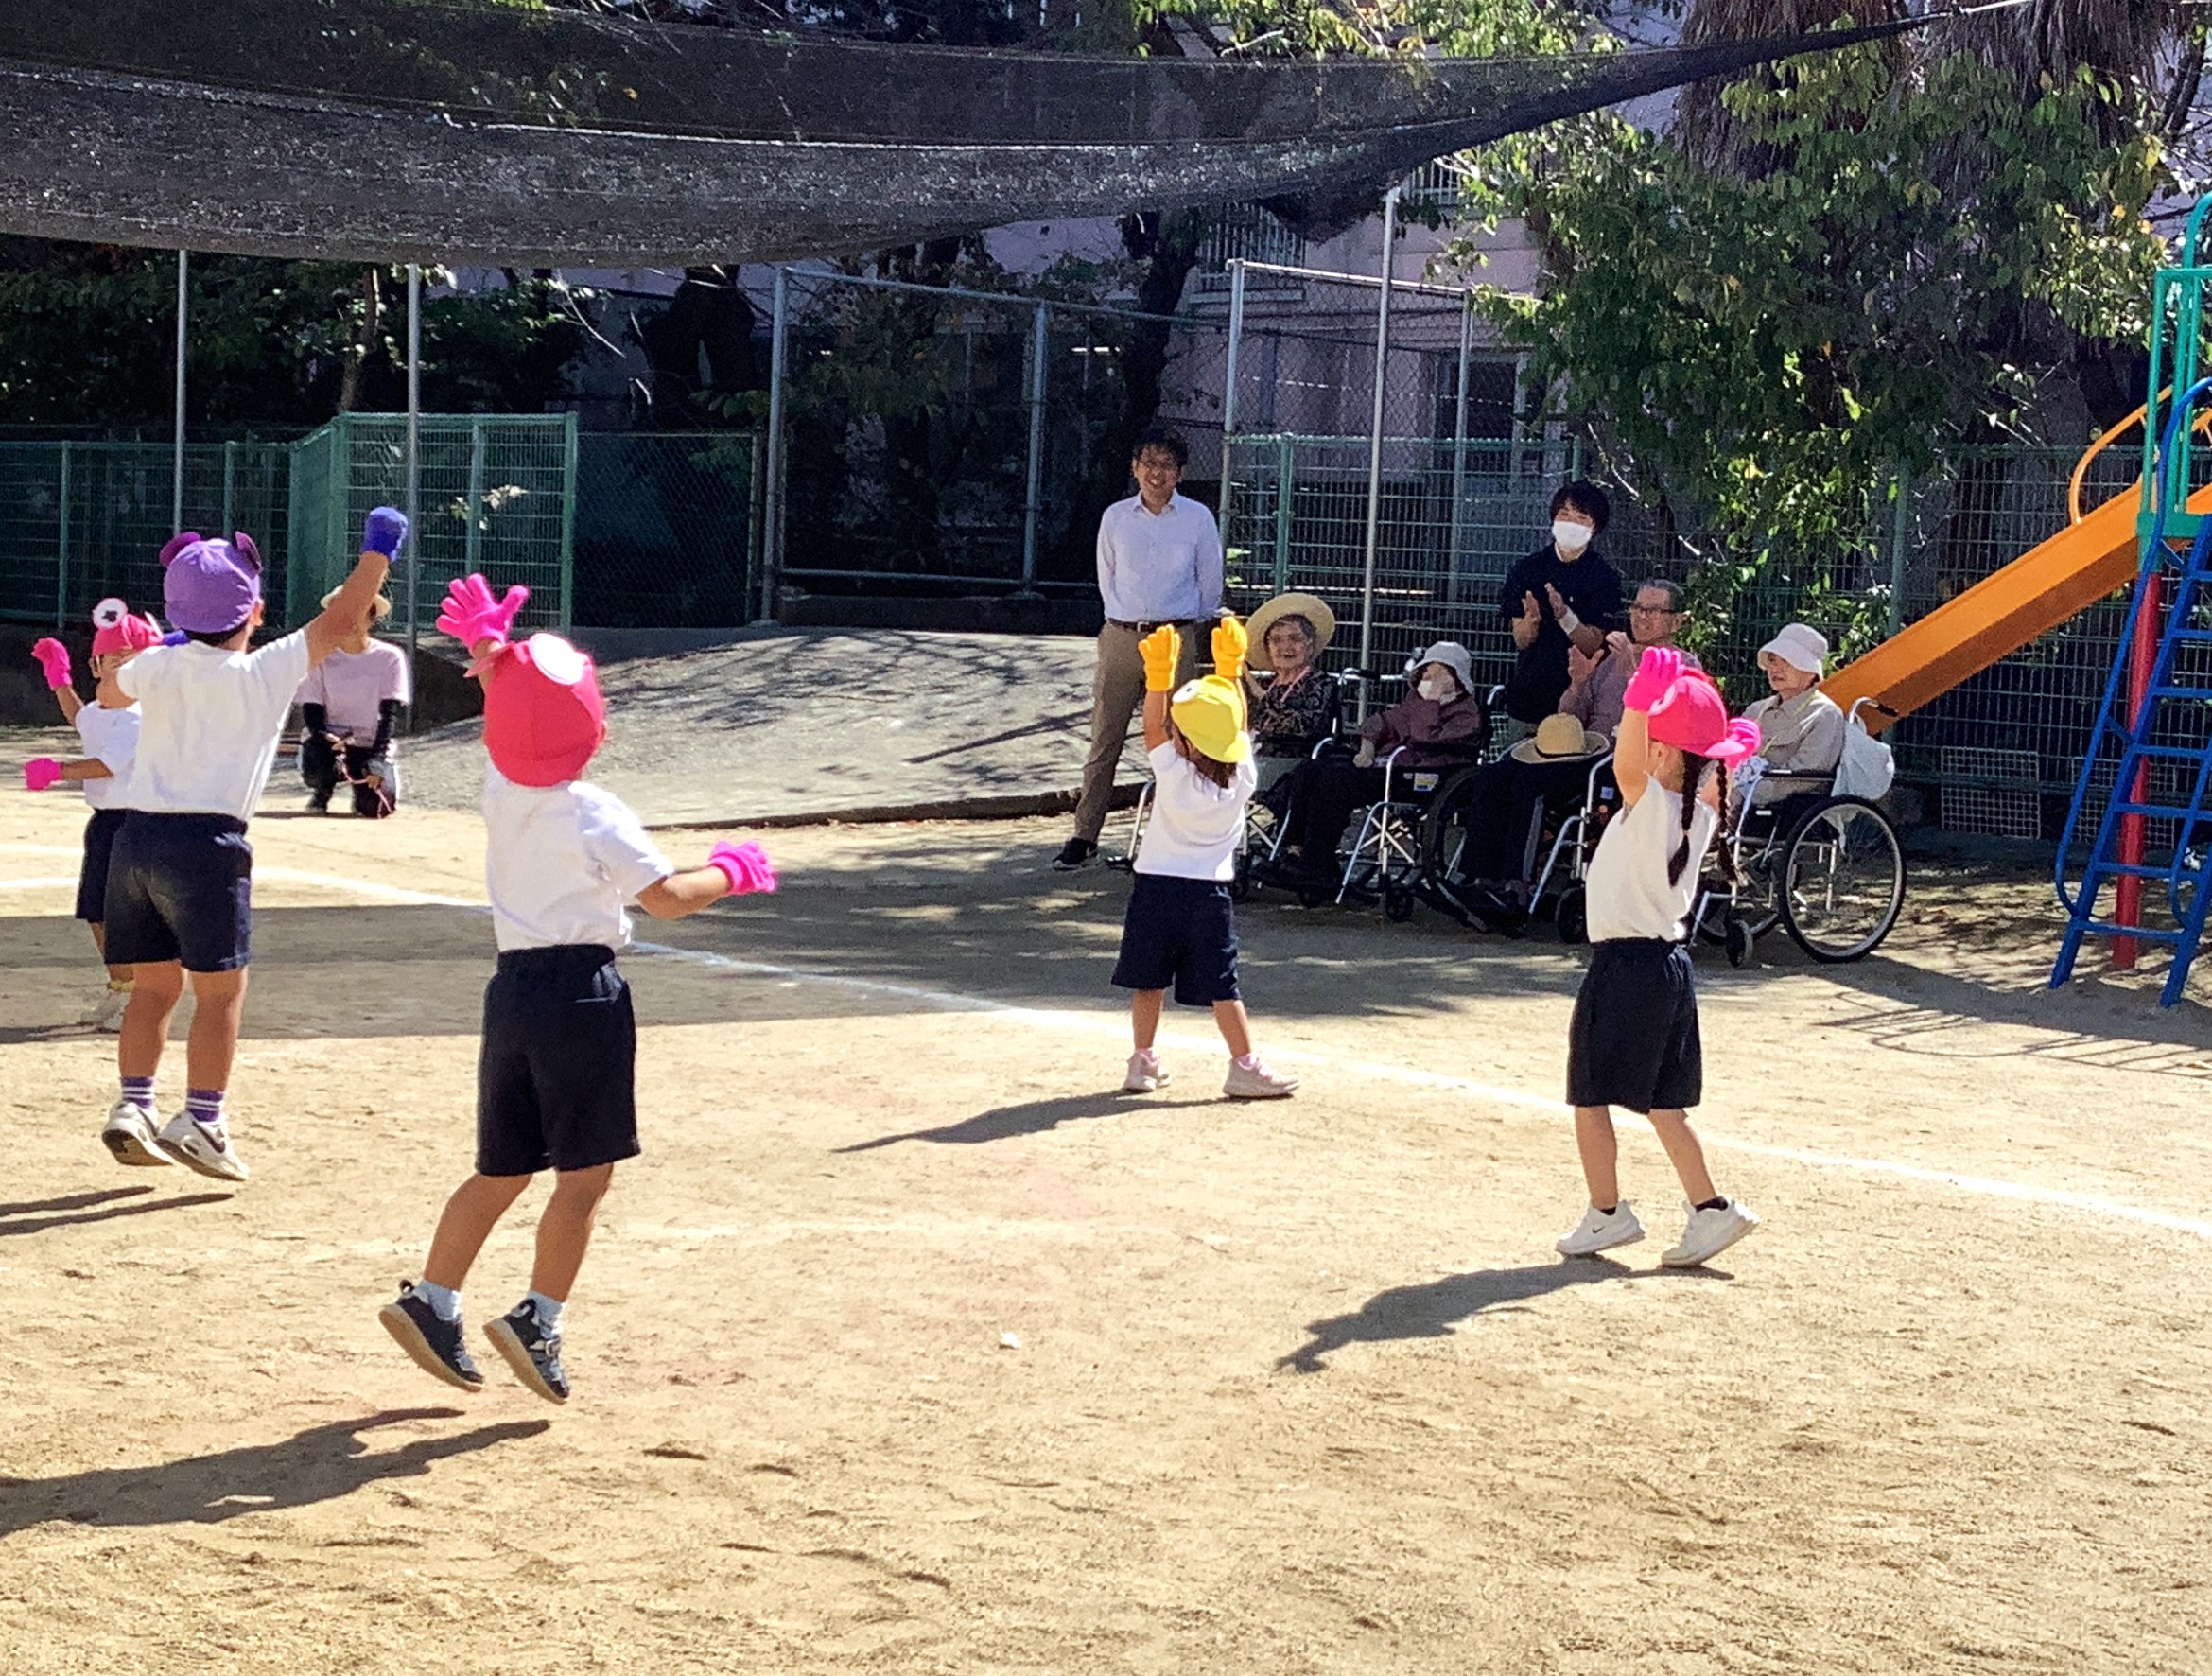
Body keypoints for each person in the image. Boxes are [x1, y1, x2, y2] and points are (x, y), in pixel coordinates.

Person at [379, 574, 780, 1405]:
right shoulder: (593, 810)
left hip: (513, 989)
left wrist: (491, 654)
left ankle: (434, 1296)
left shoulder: (501, 792)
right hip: (582, 993)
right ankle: (538, 1318)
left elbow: (511, 720)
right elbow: (665, 899)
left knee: (501, 1169)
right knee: (585, 1177)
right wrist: (731, 872)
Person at [92, 514, 403, 1179]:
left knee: (152, 990)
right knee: (220, 993)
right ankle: (203, 1119)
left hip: (135, 837)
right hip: (208, 845)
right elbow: (346, 617)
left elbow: (108, 693)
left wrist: (156, 651)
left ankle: (133, 1105)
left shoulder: (155, 664)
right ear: (255, 610)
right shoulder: (267, 668)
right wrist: (377, 551)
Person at [1554, 646, 1763, 1268]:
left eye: (1640, 733)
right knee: (1664, 1105)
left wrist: (1641, 699)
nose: (1628, 736)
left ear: (1663, 753)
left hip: (1625, 969)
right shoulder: (1695, 810)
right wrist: (1726, 742)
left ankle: (1607, 1213)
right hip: (1666, 969)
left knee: (1589, 1098)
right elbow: (1710, 767)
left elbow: (1627, 759)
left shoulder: (1649, 804)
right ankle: (1709, 1210)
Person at [1114, 615, 1297, 1100]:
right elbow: (1235, 723)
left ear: (1186, 740)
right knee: (1223, 985)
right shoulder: (1243, 780)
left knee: (1148, 980)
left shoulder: (1173, 773)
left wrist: (1158, 679)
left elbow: (1153, 726)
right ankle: (1244, 1065)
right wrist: (1231, 669)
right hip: (1208, 895)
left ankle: (1142, 1061)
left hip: (1155, 888)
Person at [1450, 579, 1698, 896]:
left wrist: (1632, 676)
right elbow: (1572, 716)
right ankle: (1478, 876)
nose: (1640, 616)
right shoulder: (1610, 658)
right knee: (1496, 774)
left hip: (1628, 758)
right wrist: (1578, 685)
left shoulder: (1683, 666)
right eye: (1637, 607)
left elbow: (1674, 724)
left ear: (1677, 620)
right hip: (1584, 747)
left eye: (1653, 610)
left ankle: (1517, 883)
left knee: (1532, 781)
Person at [1055, 427, 1220, 871]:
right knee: (1106, 735)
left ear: (1180, 473)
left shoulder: (1197, 518)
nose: (1156, 473)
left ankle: (1170, 834)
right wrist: (1123, 624)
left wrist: (1183, 626)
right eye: (1148, 463)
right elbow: (1106, 577)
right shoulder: (1116, 517)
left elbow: (1209, 582)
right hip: (1122, 635)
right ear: (1134, 468)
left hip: (1175, 633)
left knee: (1177, 737)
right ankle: (1084, 835)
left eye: (1166, 465)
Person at [23, 600, 162, 1037]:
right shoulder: (102, 711)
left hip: (135, 822)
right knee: (96, 911)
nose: (118, 668)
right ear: (95, 665)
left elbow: (107, 764)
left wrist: (57, 772)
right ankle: (121, 988)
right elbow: (80, 718)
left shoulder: (140, 715)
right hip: (105, 823)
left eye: (129, 661)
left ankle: (138, 994)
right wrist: (58, 678)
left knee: (126, 913)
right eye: (110, 660)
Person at [1274, 640, 1487, 885]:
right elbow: (1380, 722)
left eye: (1439, 672)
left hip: (1424, 776)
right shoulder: (1414, 702)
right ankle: (1295, 849)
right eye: (1427, 670)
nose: (1429, 677)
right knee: (1312, 769)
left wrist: (1432, 701)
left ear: (1456, 678)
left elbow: (1424, 737)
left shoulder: (1466, 713)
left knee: (1337, 782)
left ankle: (1316, 863)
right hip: (1389, 767)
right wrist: (1367, 748)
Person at [1499, 480, 1624, 725]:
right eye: (1564, 514)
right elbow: (1521, 639)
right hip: (1530, 698)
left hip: (1581, 704)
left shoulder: (1603, 577)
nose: (1570, 523)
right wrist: (1531, 622)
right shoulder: (1527, 569)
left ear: (1595, 526)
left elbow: (1592, 645)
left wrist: (1565, 616)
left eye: (1581, 517)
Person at [296, 586, 409, 818]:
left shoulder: (390, 657)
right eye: (343, 612)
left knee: (374, 810)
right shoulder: (319, 656)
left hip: (369, 743)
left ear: (372, 617)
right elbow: (312, 707)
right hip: (331, 744)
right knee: (317, 763)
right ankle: (322, 789)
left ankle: (365, 789)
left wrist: (377, 759)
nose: (352, 620)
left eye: (361, 611)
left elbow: (389, 714)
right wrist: (322, 737)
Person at [1241, 591, 1338, 798]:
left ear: (1309, 645)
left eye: (1295, 639)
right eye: (1276, 640)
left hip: (1295, 766)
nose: (1285, 647)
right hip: (1254, 760)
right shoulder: (1270, 684)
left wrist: (1256, 690)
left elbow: (1303, 727)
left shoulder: (1321, 683)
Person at [1740, 623, 1845, 807]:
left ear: (1811, 672)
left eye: (1787, 661)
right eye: (1773, 660)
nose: (1776, 669)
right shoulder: (1755, 710)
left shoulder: (1825, 715)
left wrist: (1747, 790)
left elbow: (1806, 774)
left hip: (1777, 801)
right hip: (1732, 788)